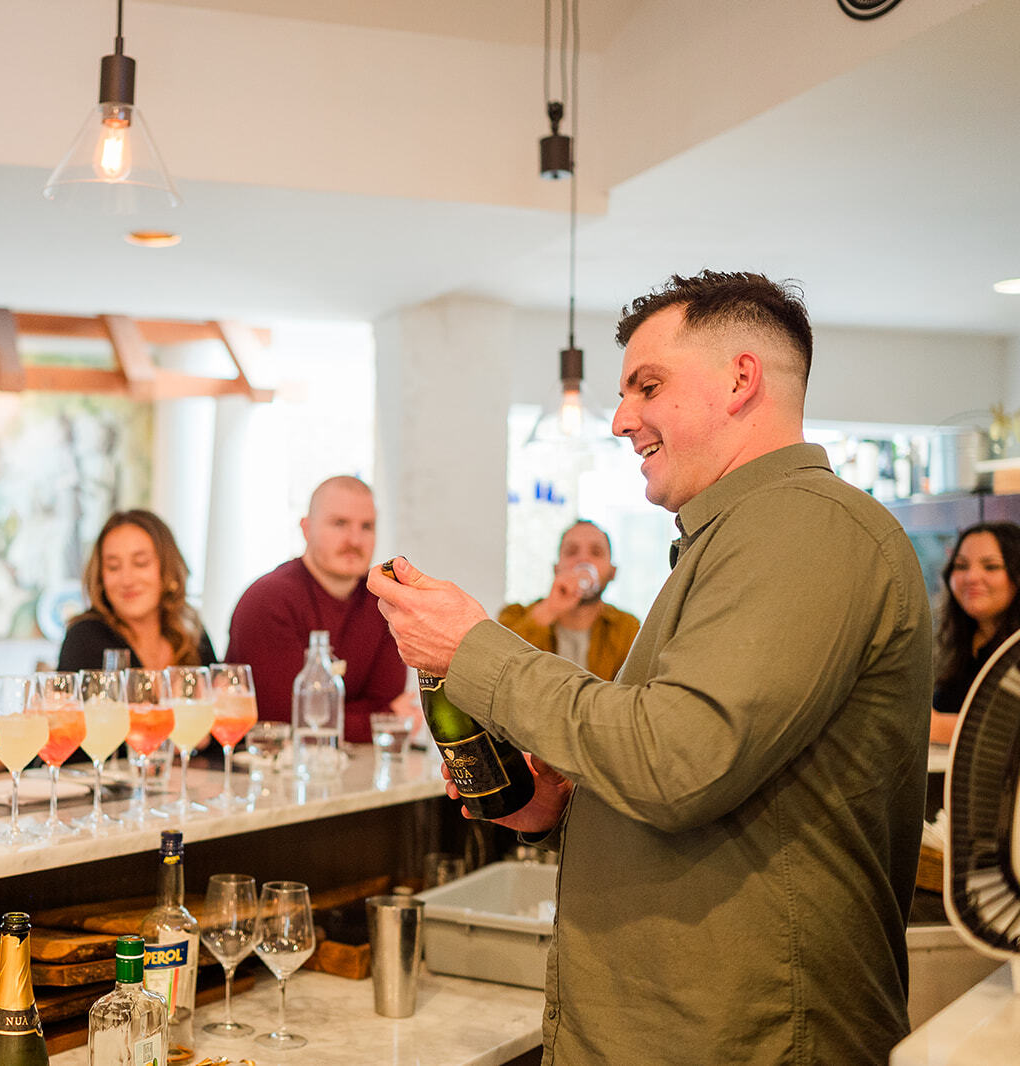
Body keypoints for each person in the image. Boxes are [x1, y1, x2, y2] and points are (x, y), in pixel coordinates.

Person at [369, 271, 931, 1065]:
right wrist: (567, 803)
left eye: (648, 386)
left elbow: (677, 763)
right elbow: (704, 767)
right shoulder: (732, 537)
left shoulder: (806, 525)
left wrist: (472, 647)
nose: (622, 419)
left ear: (740, 380)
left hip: (744, 1040)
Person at [227, 475, 410, 743]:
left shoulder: (384, 602)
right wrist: (378, 719)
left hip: (359, 764)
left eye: (367, 526)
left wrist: (331, 716)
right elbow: (285, 721)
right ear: (306, 528)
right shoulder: (267, 600)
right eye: (339, 523)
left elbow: (389, 703)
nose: (355, 540)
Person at [56, 509, 217, 671]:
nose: (127, 580)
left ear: (168, 569)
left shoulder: (191, 632)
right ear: (100, 577)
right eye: (113, 567)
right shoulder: (85, 638)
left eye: (141, 563)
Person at [497, 519, 639, 680]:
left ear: (612, 572)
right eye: (571, 552)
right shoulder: (513, 615)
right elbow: (497, 670)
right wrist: (548, 610)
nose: (583, 560)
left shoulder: (628, 629)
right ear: (556, 569)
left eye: (596, 552)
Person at [931, 521, 1020, 743]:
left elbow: (1010, 736)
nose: (971, 578)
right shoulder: (953, 643)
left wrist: (938, 726)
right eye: (961, 566)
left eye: (991, 567)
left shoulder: (1015, 652)